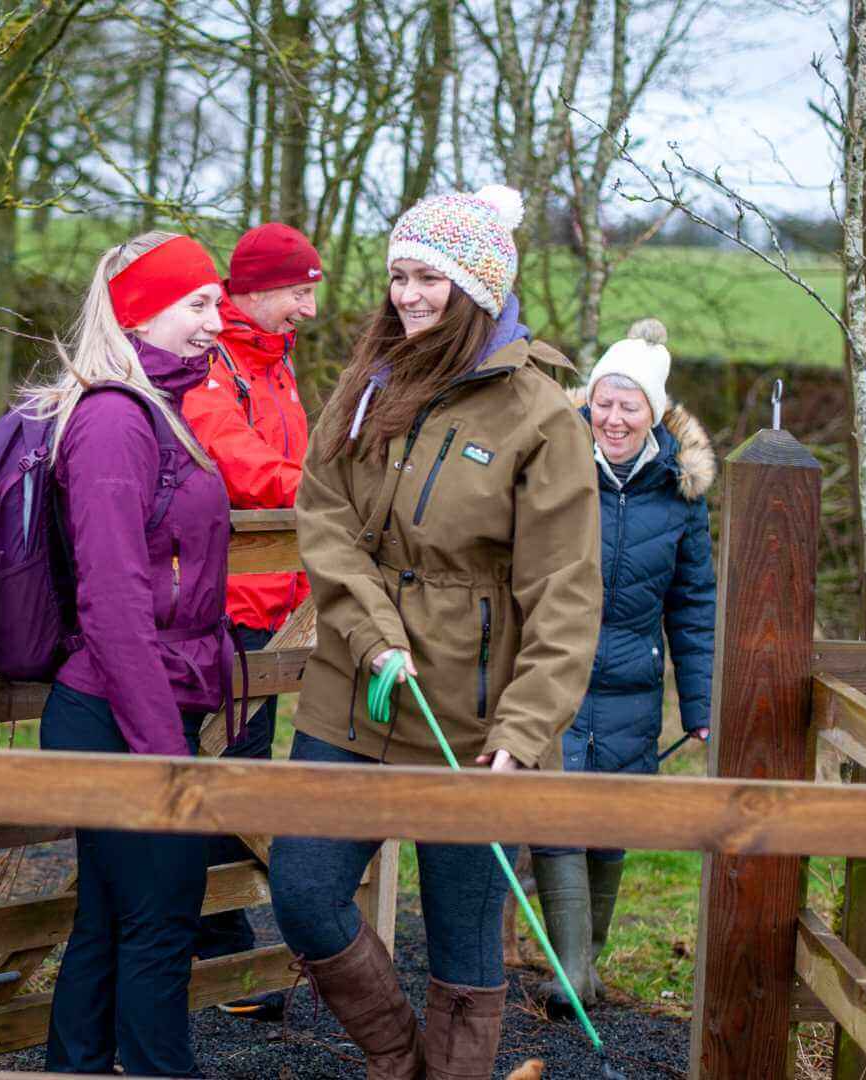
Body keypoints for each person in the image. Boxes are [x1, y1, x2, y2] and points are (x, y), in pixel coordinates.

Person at [270, 186, 602, 1080]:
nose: (409, 296)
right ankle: (398, 1057)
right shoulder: (368, 381)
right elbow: (326, 518)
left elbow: (566, 597)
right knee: (303, 889)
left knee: (463, 945)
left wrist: (525, 734)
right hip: (356, 691)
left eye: (430, 279)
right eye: (399, 276)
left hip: (473, 720)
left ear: (479, 289)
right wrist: (374, 632)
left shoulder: (541, 416)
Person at [20, 231, 234, 1077]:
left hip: (134, 706)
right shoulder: (114, 420)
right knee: (160, 922)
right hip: (117, 712)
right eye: (197, 303)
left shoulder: (157, 409)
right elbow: (113, 607)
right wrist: (165, 755)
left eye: (218, 300)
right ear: (139, 310)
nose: (217, 320)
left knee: (111, 922)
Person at [527, 318, 716, 1012]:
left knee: (609, 827)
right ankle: (570, 975)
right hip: (555, 672)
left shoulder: (681, 493)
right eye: (603, 401)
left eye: (628, 405)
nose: (612, 416)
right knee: (556, 812)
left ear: (655, 413)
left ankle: (588, 964)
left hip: (634, 684)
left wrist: (700, 709)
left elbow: (695, 605)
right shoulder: (554, 467)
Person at [181, 222, 319, 1018]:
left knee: (243, 762)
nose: (307, 307)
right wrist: (330, 494)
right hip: (225, 603)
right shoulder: (214, 361)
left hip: (278, 603)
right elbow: (242, 465)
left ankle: (220, 940)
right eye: (300, 290)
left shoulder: (278, 365)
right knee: (227, 764)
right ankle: (221, 948)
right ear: (260, 288)